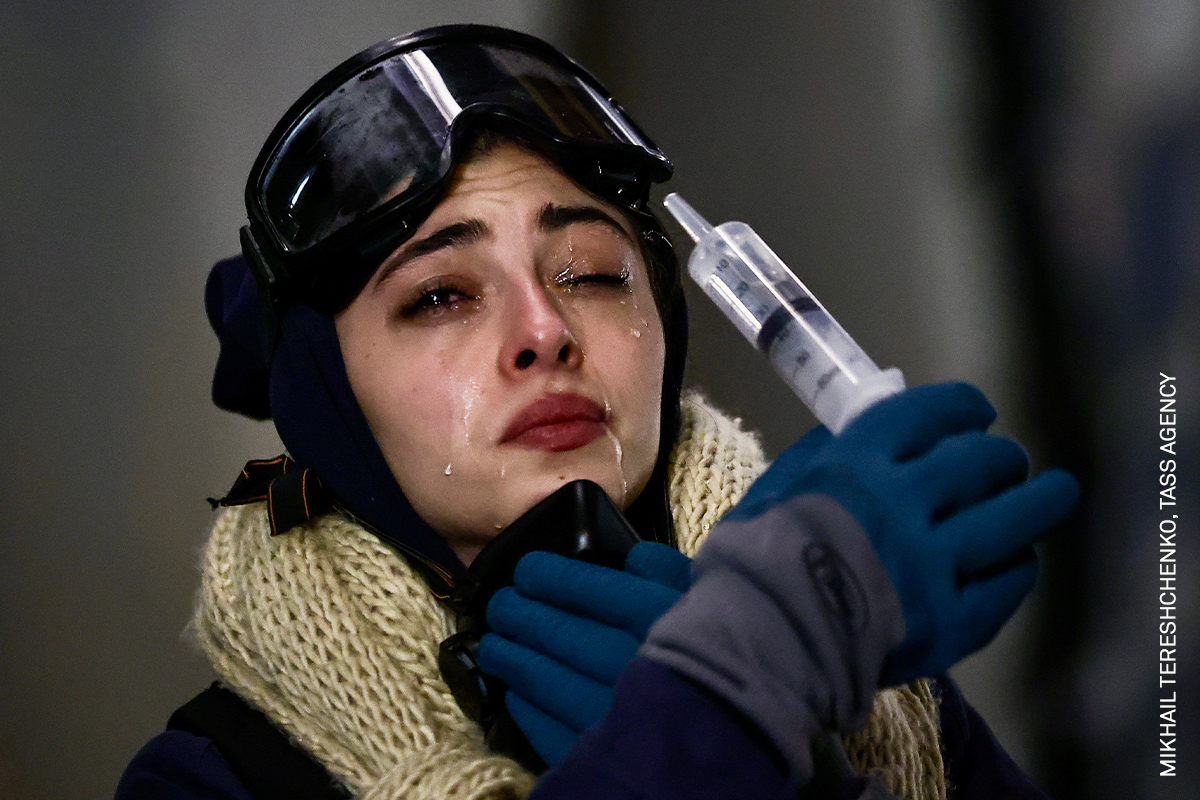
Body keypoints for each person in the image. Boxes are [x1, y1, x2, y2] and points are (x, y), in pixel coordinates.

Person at [114, 24, 1079, 800]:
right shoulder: (213, 778)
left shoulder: (857, 638)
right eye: (442, 295)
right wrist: (720, 709)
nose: (544, 329)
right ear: (328, 399)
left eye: (591, 273)